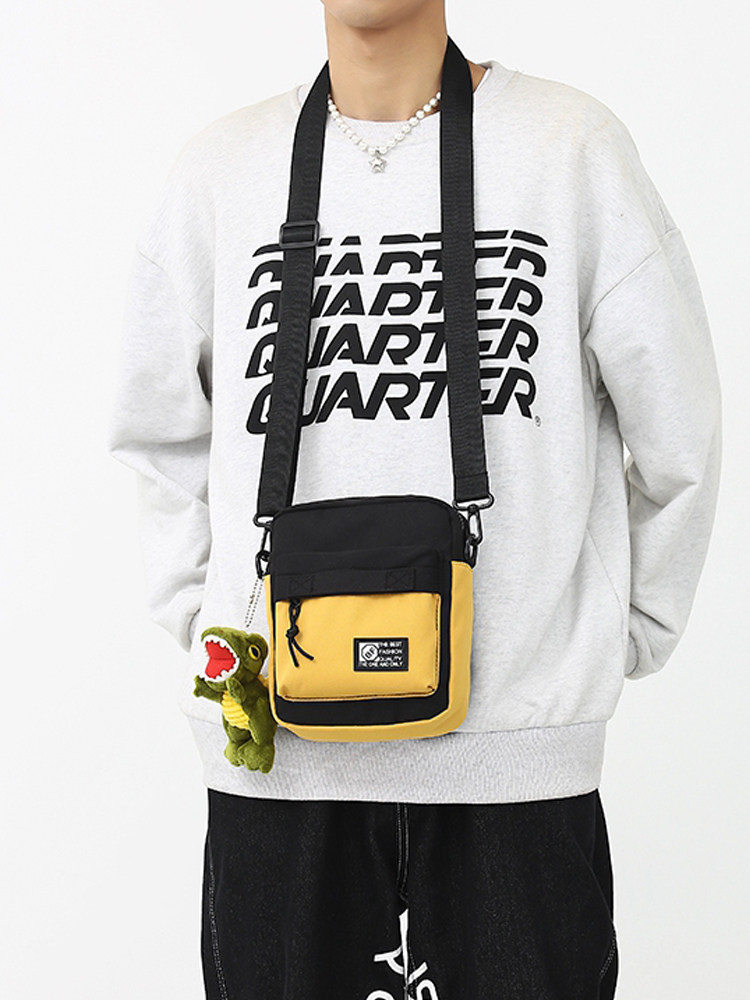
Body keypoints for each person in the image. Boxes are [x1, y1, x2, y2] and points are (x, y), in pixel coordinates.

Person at [106, 1, 723, 997]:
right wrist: (212, 625)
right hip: (274, 761)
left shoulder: (570, 150)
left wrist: (612, 634)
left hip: (517, 767)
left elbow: (679, 425)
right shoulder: (219, 174)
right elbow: (155, 435)